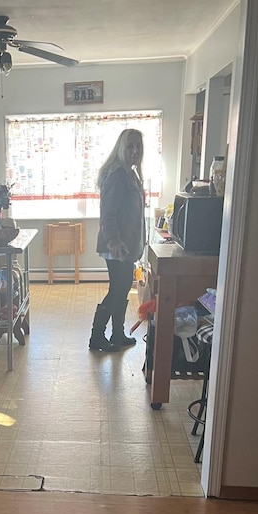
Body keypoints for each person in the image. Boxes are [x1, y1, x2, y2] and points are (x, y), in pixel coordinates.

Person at [89, 128, 145, 352]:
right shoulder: (118, 175)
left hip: (126, 245)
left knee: (121, 289)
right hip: (117, 246)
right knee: (118, 289)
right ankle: (97, 336)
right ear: (121, 149)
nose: (134, 151)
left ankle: (118, 334)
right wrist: (114, 242)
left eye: (138, 147)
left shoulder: (130, 174)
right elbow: (108, 213)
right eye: (130, 146)